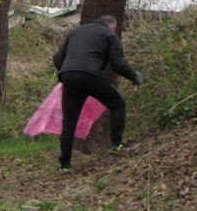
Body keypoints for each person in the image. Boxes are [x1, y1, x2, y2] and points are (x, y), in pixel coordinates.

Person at [52, 14, 143, 174]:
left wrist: (69, 71)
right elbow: (118, 64)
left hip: (68, 76)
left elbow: (58, 59)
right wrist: (135, 77)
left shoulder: (76, 32)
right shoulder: (109, 34)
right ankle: (117, 145)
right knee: (117, 103)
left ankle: (64, 165)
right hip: (90, 75)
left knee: (69, 122)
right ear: (112, 26)